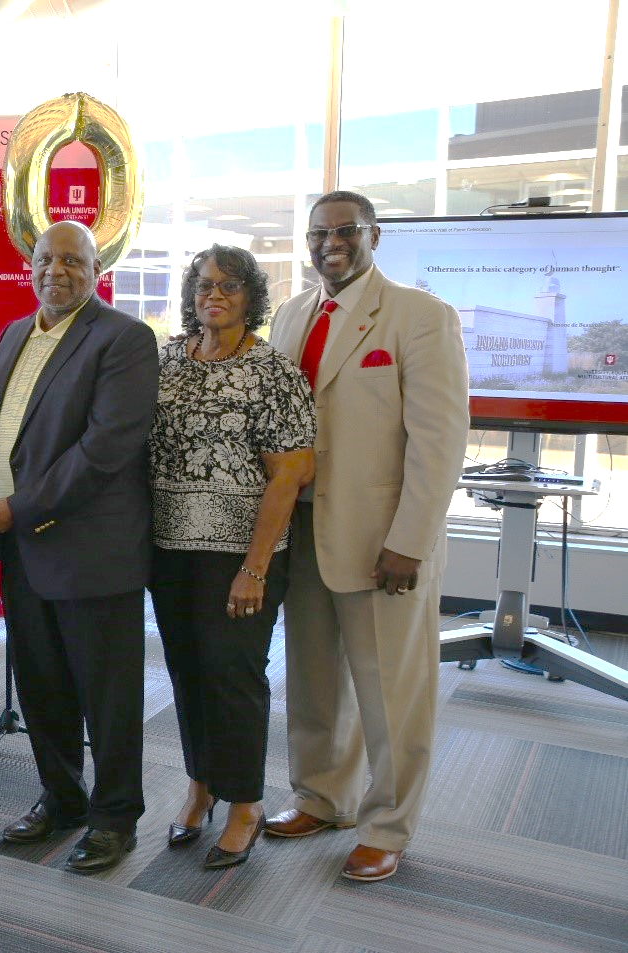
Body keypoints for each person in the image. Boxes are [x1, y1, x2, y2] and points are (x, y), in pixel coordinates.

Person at [266, 191, 469, 881]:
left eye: (346, 230)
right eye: (319, 231)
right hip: (302, 532)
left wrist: (410, 537)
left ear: (374, 234)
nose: (331, 242)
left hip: (383, 539)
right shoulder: (293, 315)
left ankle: (388, 823)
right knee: (315, 680)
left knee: (391, 691)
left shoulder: (420, 316)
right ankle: (323, 795)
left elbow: (439, 443)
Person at [0, 220, 158, 874]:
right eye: (46, 259)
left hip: (90, 552)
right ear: (31, 264)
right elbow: (9, 421)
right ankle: (62, 796)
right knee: (43, 686)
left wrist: (13, 507)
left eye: (73, 260)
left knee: (107, 697)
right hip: (23, 552)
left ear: (97, 266)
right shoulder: (17, 333)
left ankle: (115, 817)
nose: (57, 271)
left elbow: (103, 452)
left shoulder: (124, 339)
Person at [147, 244, 315, 870]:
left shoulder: (273, 371)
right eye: (203, 285)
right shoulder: (167, 361)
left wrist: (255, 566)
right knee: (187, 671)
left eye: (229, 286)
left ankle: (244, 801)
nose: (213, 295)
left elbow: (292, 472)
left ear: (251, 297)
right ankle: (201, 786)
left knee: (233, 674)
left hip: (240, 555)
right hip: (169, 549)